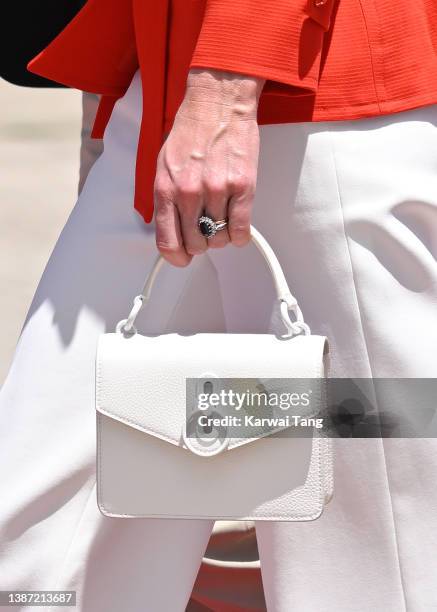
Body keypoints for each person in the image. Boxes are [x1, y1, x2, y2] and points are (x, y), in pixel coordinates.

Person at [1, 1, 437, 611]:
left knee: (373, 568)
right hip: (160, 91)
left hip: (314, 103)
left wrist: (225, 89)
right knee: (39, 550)